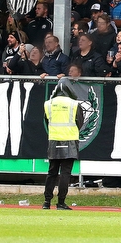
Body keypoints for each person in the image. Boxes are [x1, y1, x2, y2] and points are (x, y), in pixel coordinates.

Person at [42, 80, 85, 210]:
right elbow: (80, 122)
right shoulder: (74, 104)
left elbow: (46, 120)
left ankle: (46, 202)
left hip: (54, 139)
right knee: (65, 173)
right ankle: (61, 203)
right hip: (70, 140)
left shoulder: (48, 104)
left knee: (52, 172)